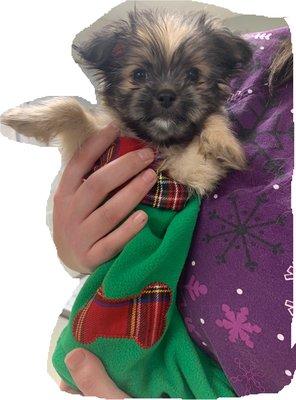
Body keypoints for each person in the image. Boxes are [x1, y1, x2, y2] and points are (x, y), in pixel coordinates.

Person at [55, 27, 294, 397]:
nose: (166, 90)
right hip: (106, 339)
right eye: (140, 75)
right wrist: (73, 251)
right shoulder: (260, 57)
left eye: (192, 76)